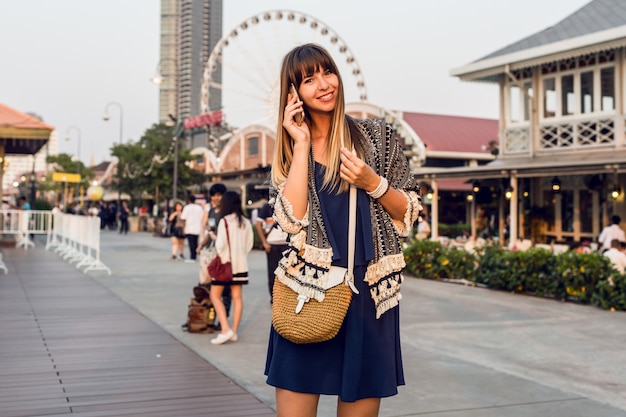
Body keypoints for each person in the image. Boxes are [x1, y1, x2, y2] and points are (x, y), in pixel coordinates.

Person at [264, 44, 422, 416]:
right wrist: (301, 144)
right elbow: (291, 221)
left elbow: (410, 211)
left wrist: (373, 182)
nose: (323, 84)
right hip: (307, 296)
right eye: (308, 79)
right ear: (293, 94)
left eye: (328, 72)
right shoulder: (288, 154)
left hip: (368, 299)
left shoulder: (377, 138)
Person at [209, 190, 253, 345]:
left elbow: (220, 245)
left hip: (225, 265)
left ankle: (225, 329)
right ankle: (233, 331)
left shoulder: (225, 221)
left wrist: (214, 240)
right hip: (241, 265)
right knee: (237, 297)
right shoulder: (246, 222)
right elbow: (249, 245)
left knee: (215, 296)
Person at [200, 183, 232, 318]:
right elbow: (207, 230)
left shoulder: (228, 214)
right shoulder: (210, 212)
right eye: (213, 195)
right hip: (209, 252)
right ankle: (207, 317)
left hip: (223, 254)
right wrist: (200, 245)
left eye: (219, 195)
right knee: (205, 285)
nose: (216, 198)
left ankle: (222, 319)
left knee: (223, 288)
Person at [255, 201, 289, 303]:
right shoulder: (267, 206)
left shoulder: (287, 204)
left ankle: (285, 298)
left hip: (286, 244)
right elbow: (258, 224)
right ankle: (274, 297)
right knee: (272, 272)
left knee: (288, 273)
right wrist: (264, 242)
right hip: (272, 244)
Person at [180, 194, 203, 263]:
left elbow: (183, 218)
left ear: (189, 200)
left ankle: (192, 257)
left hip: (189, 227)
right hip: (197, 227)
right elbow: (202, 217)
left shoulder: (187, 207)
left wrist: (183, 228)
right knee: (195, 243)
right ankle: (194, 256)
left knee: (191, 243)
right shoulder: (199, 208)